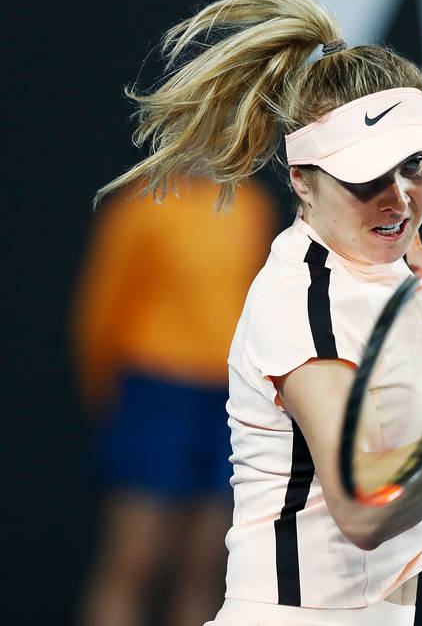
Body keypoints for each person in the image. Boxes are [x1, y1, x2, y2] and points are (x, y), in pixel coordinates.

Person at [94, 0, 422, 624]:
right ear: (302, 179)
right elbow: (363, 510)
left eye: (415, 165)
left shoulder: (374, 276)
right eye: (366, 176)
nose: (399, 198)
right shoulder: (304, 301)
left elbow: (393, 425)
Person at [73, 176, 278, 626]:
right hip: (156, 391)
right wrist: (110, 398)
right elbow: (102, 307)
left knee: (207, 567)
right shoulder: (142, 206)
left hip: (230, 396)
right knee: (133, 561)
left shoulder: (250, 205)